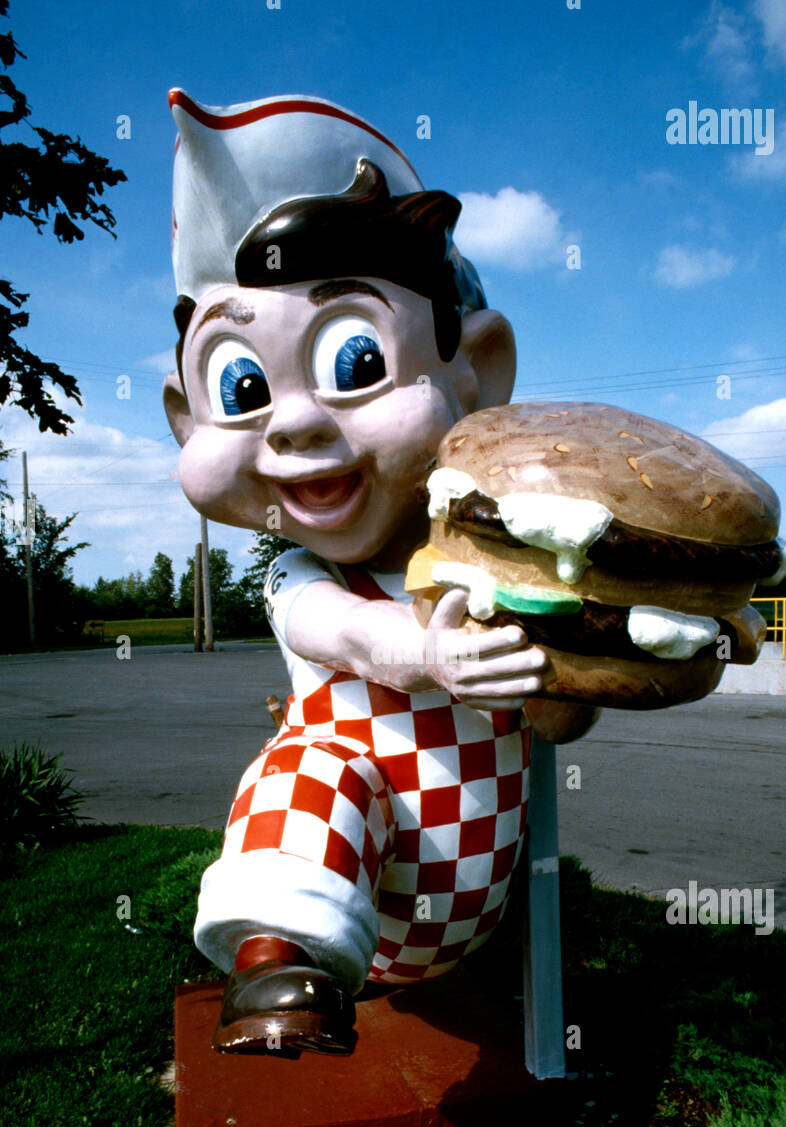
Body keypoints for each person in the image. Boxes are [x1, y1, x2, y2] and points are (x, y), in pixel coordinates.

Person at [163, 89, 594, 1058]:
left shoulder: (496, 557)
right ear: (184, 420)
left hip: (480, 903)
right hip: (367, 901)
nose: (295, 424)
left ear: (474, 366)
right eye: (241, 386)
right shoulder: (299, 580)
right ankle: (278, 960)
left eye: (353, 358)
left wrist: (566, 672)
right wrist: (435, 651)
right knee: (311, 767)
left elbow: (560, 711)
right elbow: (354, 637)